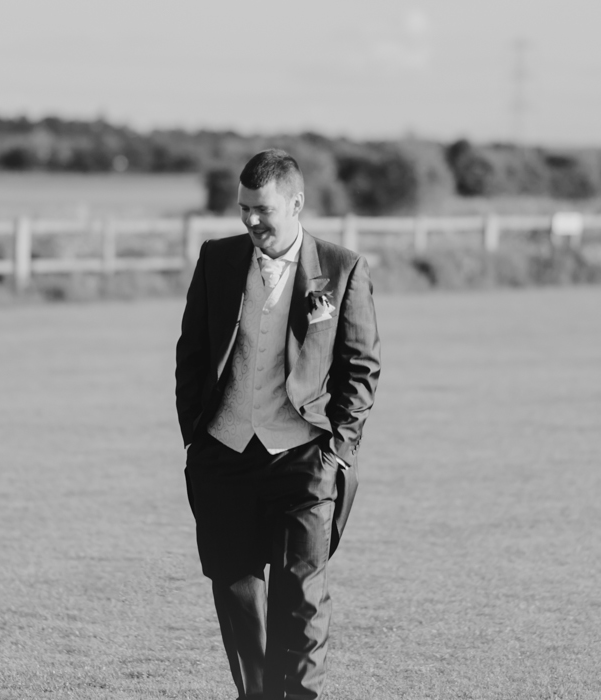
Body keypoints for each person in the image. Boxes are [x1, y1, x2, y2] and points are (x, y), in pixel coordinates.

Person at [175, 149, 381, 699]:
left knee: (302, 596)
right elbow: (190, 354)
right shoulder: (217, 260)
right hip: (224, 451)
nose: (250, 221)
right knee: (236, 591)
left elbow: (361, 368)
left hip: (304, 456)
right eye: (243, 209)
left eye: (261, 209)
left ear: (296, 203)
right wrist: (195, 438)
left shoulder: (341, 269)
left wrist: (338, 448)